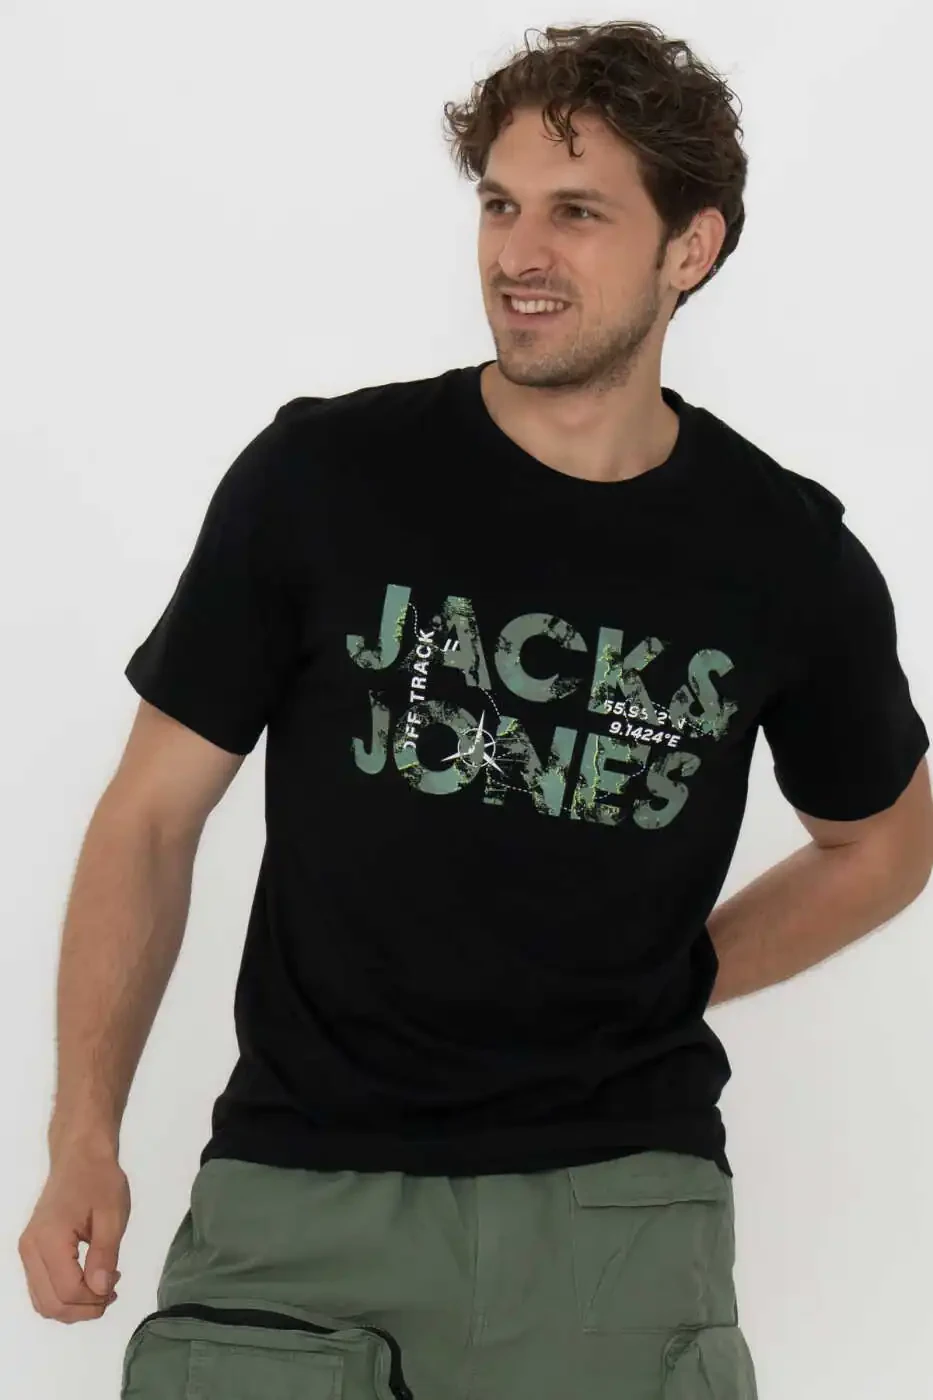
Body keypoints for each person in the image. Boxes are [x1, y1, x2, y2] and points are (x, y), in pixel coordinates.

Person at [18, 19, 933, 1400]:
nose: (520, 252)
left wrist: (683, 974)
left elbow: (886, 843)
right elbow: (149, 818)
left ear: (690, 248)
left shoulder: (785, 557)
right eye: (501, 205)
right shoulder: (324, 481)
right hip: (298, 1197)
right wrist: (82, 1133)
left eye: (578, 212)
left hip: (618, 1214)